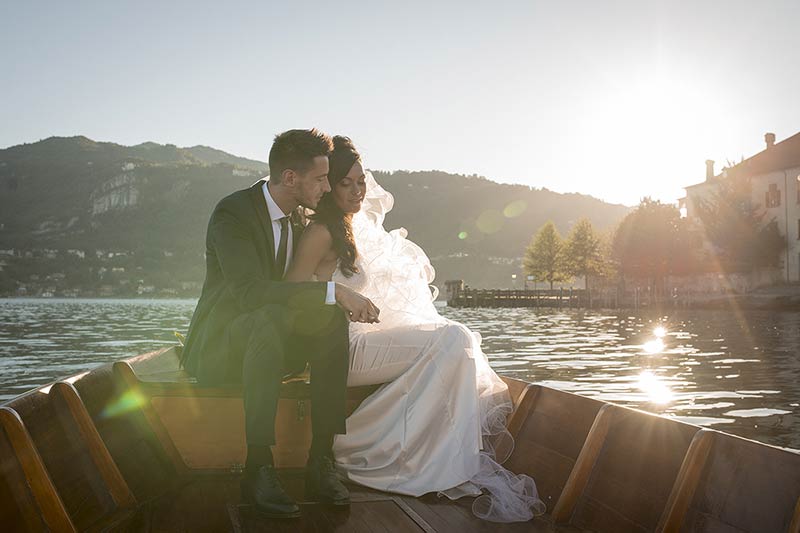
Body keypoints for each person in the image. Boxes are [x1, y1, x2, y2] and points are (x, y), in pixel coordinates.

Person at [285, 136, 546, 522]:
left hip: (360, 340)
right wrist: (337, 293)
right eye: (347, 184)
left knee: (455, 343)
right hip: (339, 349)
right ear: (329, 186)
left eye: (361, 181)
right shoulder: (321, 230)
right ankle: (358, 445)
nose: (358, 191)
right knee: (454, 339)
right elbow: (289, 290)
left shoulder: (349, 227)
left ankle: (436, 457)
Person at [180, 129, 380, 518]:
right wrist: (335, 292)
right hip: (223, 349)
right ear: (291, 178)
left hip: (270, 347)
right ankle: (258, 466)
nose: (327, 187)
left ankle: (320, 460)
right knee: (272, 315)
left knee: (330, 322)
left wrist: (330, 303)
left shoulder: (299, 218)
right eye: (321, 179)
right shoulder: (233, 213)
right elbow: (248, 293)